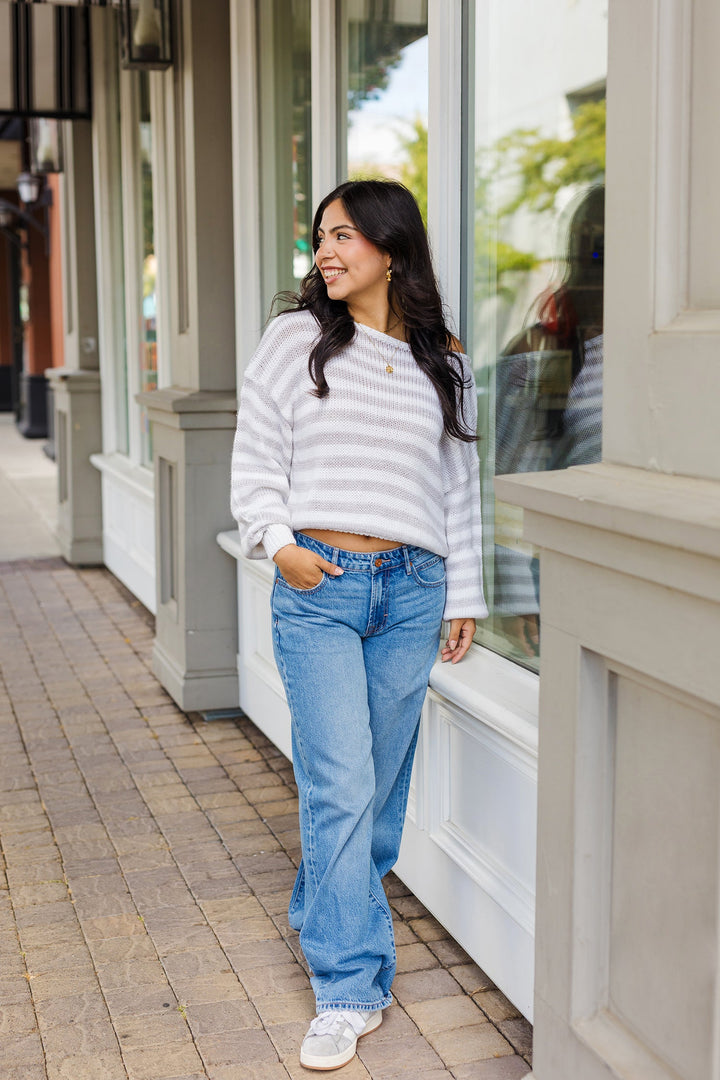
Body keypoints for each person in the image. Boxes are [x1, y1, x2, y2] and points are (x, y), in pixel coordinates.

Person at [231, 179, 487, 1071]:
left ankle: (324, 907)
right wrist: (278, 543)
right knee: (340, 782)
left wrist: (463, 596)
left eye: (343, 235)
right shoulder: (296, 340)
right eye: (319, 238)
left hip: (414, 590)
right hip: (321, 588)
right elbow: (257, 452)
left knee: (377, 791)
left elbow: (459, 488)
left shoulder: (440, 358)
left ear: (390, 246)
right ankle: (347, 988)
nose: (325, 253)